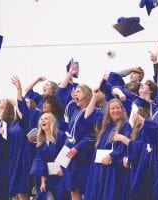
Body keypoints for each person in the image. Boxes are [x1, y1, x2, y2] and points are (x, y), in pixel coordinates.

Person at [56, 64, 97, 200]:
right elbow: (60, 92)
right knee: (71, 187)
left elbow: (92, 135)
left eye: (78, 91)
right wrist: (69, 74)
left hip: (82, 153)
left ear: (86, 94)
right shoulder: (73, 107)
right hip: (68, 149)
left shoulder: (93, 112)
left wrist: (78, 148)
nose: (75, 93)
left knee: (82, 187)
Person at [84, 95, 132, 200]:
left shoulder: (125, 125)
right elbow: (87, 117)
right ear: (108, 111)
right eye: (112, 108)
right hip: (99, 165)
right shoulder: (106, 126)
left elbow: (125, 147)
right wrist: (94, 96)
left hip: (113, 168)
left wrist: (111, 156)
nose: (115, 111)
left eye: (118, 108)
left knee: (110, 194)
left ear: (122, 109)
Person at [30, 113, 70, 200]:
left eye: (46, 118)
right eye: (41, 119)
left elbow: (67, 152)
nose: (43, 120)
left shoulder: (61, 136)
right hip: (48, 176)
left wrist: (62, 168)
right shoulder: (40, 142)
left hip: (62, 175)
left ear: (52, 122)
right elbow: (40, 163)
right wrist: (43, 181)